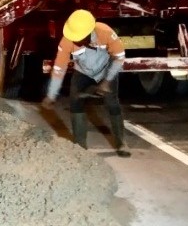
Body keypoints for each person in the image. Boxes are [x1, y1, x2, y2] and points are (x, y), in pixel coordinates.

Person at [41, 9, 130, 157]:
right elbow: (59, 68)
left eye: (80, 38)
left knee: (112, 102)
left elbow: (119, 57)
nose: (76, 41)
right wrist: (51, 95)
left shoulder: (105, 32)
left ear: (90, 31)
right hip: (82, 72)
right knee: (75, 101)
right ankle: (80, 146)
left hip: (106, 70)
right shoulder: (67, 41)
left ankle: (121, 143)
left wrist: (107, 81)